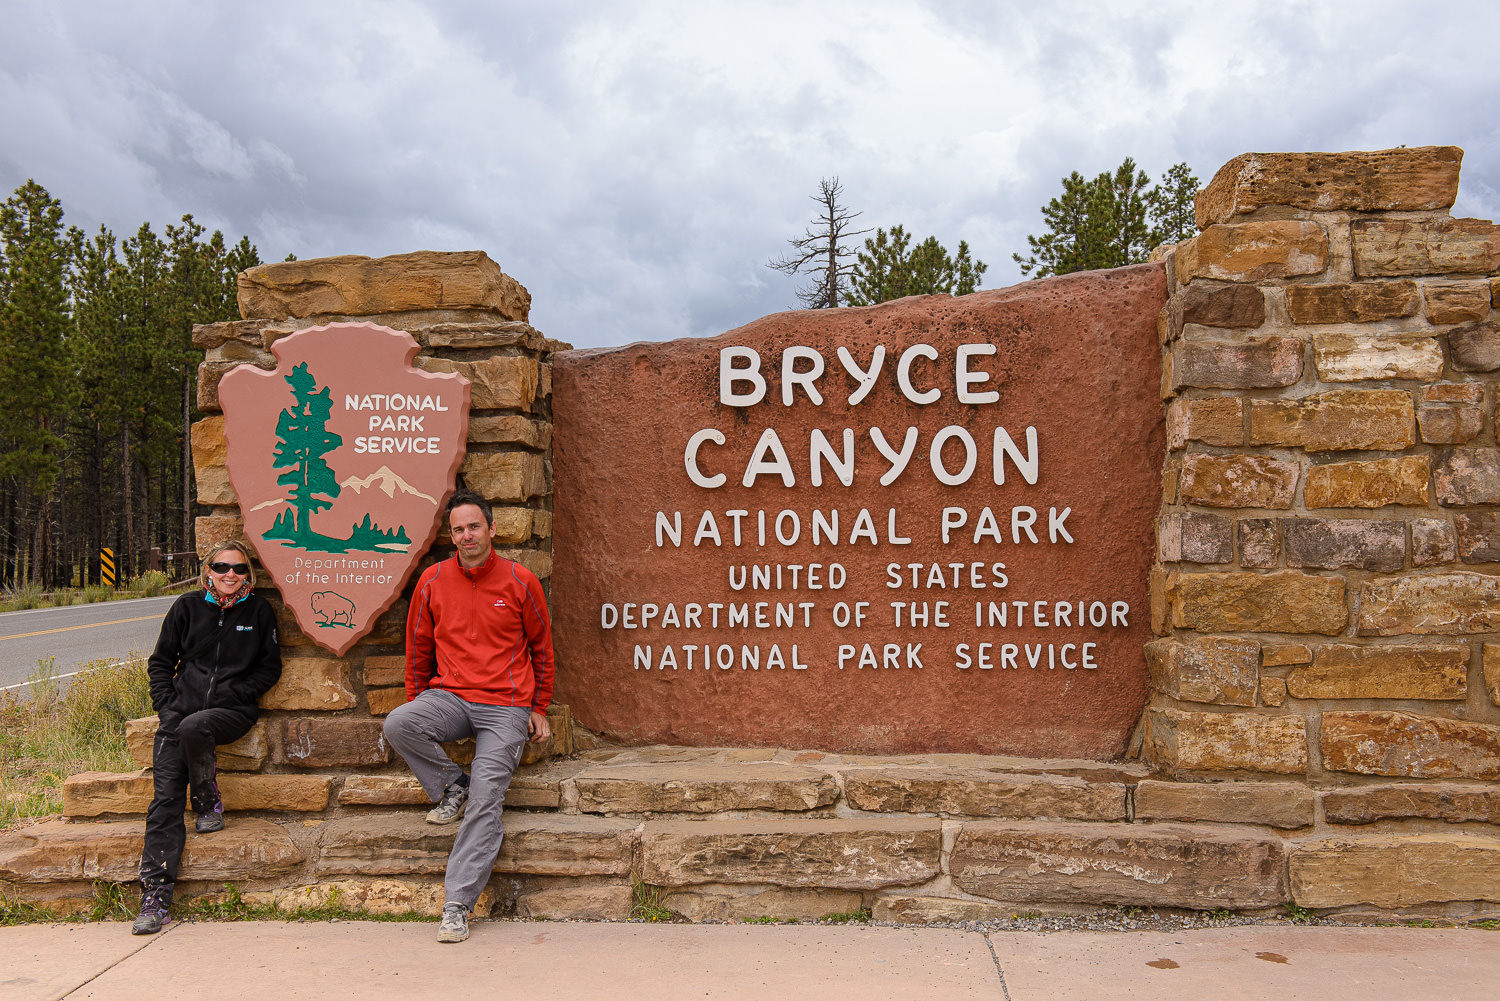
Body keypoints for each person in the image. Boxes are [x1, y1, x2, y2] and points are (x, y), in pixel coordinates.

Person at [383, 488, 554, 944]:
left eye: (473, 526)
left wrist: (538, 708)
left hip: (506, 708)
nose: (466, 536)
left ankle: (457, 904)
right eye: (457, 529)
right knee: (399, 722)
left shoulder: (521, 582)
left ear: (492, 529)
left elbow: (542, 649)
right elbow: (418, 649)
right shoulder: (433, 581)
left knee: (486, 797)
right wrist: (419, 701)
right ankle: (449, 785)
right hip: (452, 698)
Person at [133, 540, 283, 935]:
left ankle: (206, 799)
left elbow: (269, 669)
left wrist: (235, 693)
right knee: (164, 801)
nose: (230, 575)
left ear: (248, 574)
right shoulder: (185, 607)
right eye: (222, 567)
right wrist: (167, 706)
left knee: (195, 726)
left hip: (231, 713)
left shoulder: (259, 611)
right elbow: (161, 662)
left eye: (239, 569)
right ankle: (155, 896)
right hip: (178, 714)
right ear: (208, 571)